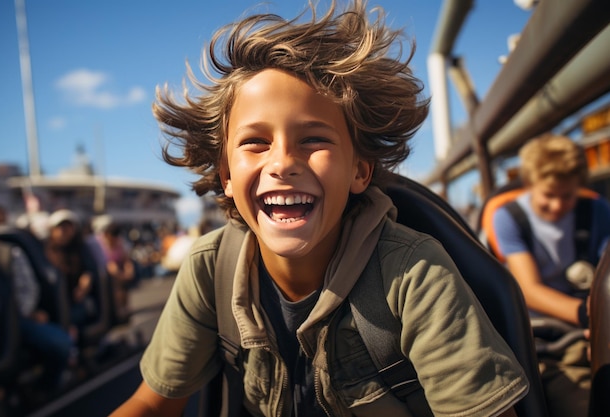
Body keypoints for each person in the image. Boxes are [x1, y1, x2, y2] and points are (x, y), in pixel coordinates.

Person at [111, 1, 528, 416]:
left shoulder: (414, 274)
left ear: (359, 172)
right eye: (256, 142)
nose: (282, 163)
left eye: (313, 140)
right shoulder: (210, 270)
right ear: (226, 177)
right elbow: (153, 404)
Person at [492, 134, 610, 417]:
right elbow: (529, 289)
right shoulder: (509, 217)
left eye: (567, 196)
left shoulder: (598, 211)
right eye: (548, 196)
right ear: (530, 185)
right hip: (546, 337)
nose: (557, 206)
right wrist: (592, 317)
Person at [0, 208, 74, 399]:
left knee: (61, 343)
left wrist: (23, 313)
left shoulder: (8, 253)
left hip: (13, 321)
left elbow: (29, 289)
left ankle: (44, 388)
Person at [44, 209, 99, 338]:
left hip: (76, 300)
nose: (64, 231)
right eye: (60, 227)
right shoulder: (44, 250)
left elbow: (90, 270)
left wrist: (87, 281)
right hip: (53, 303)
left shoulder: (81, 248)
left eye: (68, 227)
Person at [96, 221, 136, 323]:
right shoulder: (99, 243)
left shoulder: (119, 242)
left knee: (123, 286)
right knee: (116, 286)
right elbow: (109, 265)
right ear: (106, 235)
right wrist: (120, 275)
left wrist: (129, 271)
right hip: (106, 273)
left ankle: (124, 309)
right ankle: (118, 311)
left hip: (118, 270)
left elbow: (126, 259)